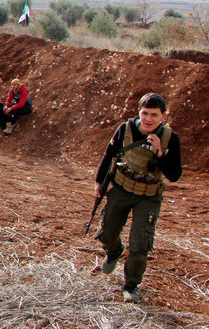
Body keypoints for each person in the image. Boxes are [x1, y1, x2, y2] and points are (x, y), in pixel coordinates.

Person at [95, 93, 182, 304]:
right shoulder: (125, 129)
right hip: (122, 188)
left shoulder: (171, 138)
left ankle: (131, 285)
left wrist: (160, 153)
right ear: (139, 112)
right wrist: (99, 182)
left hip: (149, 196)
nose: (148, 119)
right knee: (106, 233)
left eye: (154, 115)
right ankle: (114, 251)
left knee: (140, 242)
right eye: (145, 113)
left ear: (164, 116)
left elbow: (174, 175)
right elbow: (109, 154)